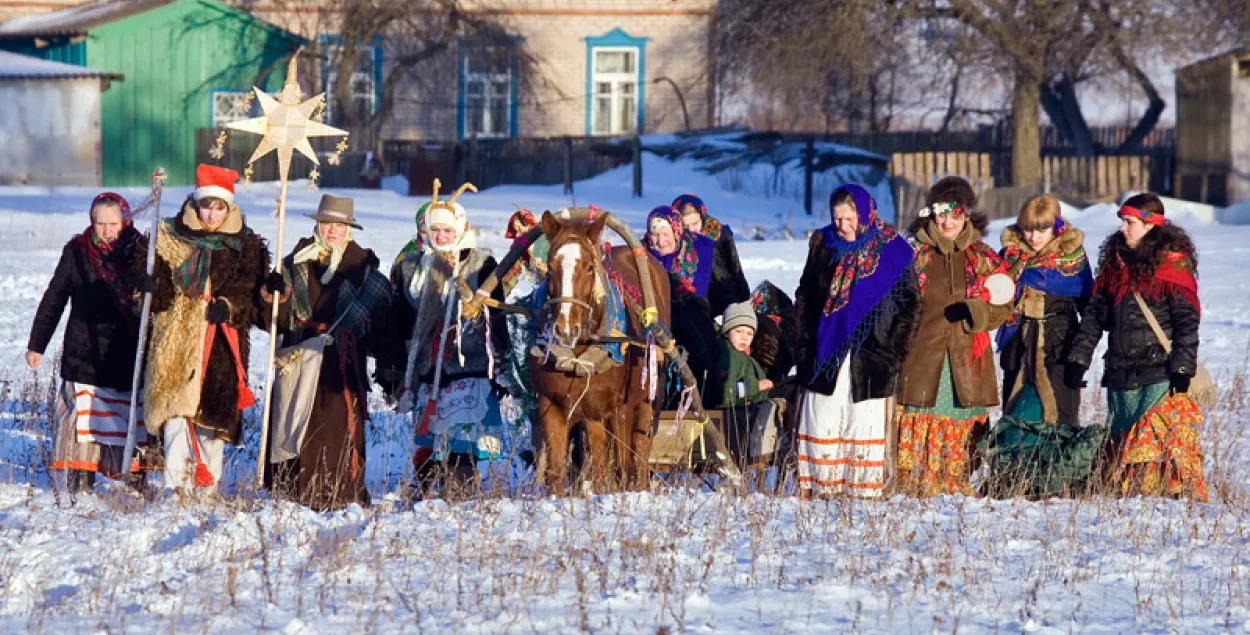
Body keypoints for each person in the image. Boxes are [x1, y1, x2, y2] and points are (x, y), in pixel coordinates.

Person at [1067, 193, 1208, 500]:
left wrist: (1183, 368)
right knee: (1122, 443)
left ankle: (1164, 503)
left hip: (1160, 373)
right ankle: (1126, 496)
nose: (1123, 229)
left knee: (1158, 445)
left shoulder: (1172, 267)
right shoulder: (1114, 268)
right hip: (1120, 372)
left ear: (1149, 225)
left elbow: (1186, 324)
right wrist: (1079, 357)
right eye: (1122, 222)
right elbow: (1094, 317)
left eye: (1130, 223)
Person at [263, 194, 399, 510]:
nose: (332, 231)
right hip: (298, 359)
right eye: (327, 224)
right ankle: (293, 494)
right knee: (295, 425)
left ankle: (341, 495)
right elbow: (276, 322)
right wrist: (273, 298)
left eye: (339, 225)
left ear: (349, 228)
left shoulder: (366, 274)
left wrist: (391, 368)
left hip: (342, 365)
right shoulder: (292, 265)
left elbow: (382, 327)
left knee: (339, 430)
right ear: (317, 225)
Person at [140, 164, 269, 494]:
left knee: (212, 423)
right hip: (177, 337)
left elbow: (249, 291)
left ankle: (207, 490)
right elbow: (161, 295)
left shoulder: (245, 245)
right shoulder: (169, 238)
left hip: (221, 342)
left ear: (229, 208)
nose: (212, 215)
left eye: (219, 207)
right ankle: (173, 487)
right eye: (206, 206)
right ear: (196, 205)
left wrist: (229, 306)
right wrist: (150, 285)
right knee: (174, 415)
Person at [793, 184, 919, 498]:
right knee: (822, 416)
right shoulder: (823, 243)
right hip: (825, 350)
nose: (843, 226)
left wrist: (895, 351)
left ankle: (862, 492)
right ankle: (823, 487)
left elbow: (912, 305)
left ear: (864, 214)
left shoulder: (894, 250)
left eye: (850, 219)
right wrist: (804, 344)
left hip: (873, 351)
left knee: (863, 421)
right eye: (837, 219)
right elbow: (806, 294)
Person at [389, 180, 508, 499]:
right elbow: (400, 319)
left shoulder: (481, 264)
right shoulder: (412, 267)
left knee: (461, 444)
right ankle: (425, 492)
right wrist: (399, 370)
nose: (441, 237)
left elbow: (497, 318)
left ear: (460, 229)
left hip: (469, 367)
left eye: (447, 230)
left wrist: (502, 363)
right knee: (429, 440)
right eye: (435, 230)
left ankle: (461, 494)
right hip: (428, 368)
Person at [895, 177, 1012, 497]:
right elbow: (893, 304)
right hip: (920, 358)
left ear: (968, 215)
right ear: (931, 215)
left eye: (956, 214)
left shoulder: (982, 257)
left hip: (966, 357)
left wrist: (982, 313)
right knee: (923, 413)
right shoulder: (913, 255)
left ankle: (956, 479)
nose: (948, 222)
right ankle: (919, 482)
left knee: (959, 415)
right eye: (942, 214)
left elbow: (1005, 304)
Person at [27, 192, 146, 493]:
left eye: (113, 223)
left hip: (125, 350)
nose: (107, 230)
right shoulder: (77, 252)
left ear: (125, 221)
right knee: (81, 419)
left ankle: (132, 480)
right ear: (92, 222)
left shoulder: (140, 252)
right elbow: (54, 298)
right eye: (100, 223)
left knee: (124, 417)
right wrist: (37, 344)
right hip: (84, 352)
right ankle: (80, 482)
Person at [982, 195, 1098, 497]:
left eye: (1040, 230)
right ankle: (1012, 479)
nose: (1033, 237)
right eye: (1028, 229)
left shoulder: (1071, 259)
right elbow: (994, 296)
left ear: (1055, 228)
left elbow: (1092, 311)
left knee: (1058, 417)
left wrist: (1080, 355)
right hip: (1018, 348)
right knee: (1017, 414)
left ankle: (1057, 483)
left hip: (1059, 349)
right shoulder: (1010, 256)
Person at [644, 205, 719, 395]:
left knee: (702, 349)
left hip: (693, 311)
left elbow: (705, 290)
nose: (660, 241)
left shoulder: (700, 249)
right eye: (655, 235)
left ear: (676, 231)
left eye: (665, 234)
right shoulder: (641, 254)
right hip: (654, 317)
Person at [708, 301, 779, 466]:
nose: (744, 337)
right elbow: (728, 392)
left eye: (749, 333)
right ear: (727, 331)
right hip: (733, 422)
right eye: (738, 331)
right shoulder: (729, 357)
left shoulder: (742, 355)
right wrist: (756, 387)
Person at [673, 193, 751, 316]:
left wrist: (743, 300)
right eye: (685, 226)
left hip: (723, 294)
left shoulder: (718, 235)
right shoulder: (672, 241)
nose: (691, 229)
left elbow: (735, 269)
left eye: (695, 223)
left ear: (702, 218)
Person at [500, 205, 549, 297]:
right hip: (523, 265)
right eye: (515, 227)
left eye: (518, 225)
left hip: (542, 266)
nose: (518, 229)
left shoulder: (539, 235)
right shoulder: (520, 239)